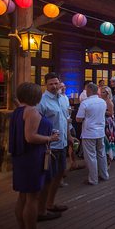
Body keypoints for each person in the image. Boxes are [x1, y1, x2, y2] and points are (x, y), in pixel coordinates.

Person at [9, 82, 59, 228]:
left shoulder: (18, 110)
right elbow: (30, 137)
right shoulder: (32, 112)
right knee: (32, 198)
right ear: (36, 95)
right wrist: (51, 138)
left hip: (20, 157)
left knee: (23, 196)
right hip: (32, 157)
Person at [37, 72, 74, 220]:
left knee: (59, 174)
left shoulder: (64, 99)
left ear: (60, 83)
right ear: (46, 84)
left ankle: (50, 204)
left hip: (63, 143)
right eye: (51, 83)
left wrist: (70, 136)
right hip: (49, 146)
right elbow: (37, 124)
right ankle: (41, 210)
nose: (54, 86)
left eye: (56, 83)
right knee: (47, 178)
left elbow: (65, 120)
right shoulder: (42, 101)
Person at [76, 83, 109, 185]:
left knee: (91, 156)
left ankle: (93, 179)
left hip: (89, 132)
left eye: (86, 90)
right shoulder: (102, 102)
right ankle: (104, 175)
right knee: (101, 154)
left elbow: (78, 119)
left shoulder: (85, 103)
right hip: (100, 131)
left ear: (89, 91)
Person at [99, 86, 115, 167]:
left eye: (103, 92)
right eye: (101, 92)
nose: (101, 93)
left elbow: (111, 113)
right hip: (102, 121)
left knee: (108, 139)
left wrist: (102, 111)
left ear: (107, 93)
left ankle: (109, 159)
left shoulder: (109, 102)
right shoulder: (101, 101)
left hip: (108, 122)